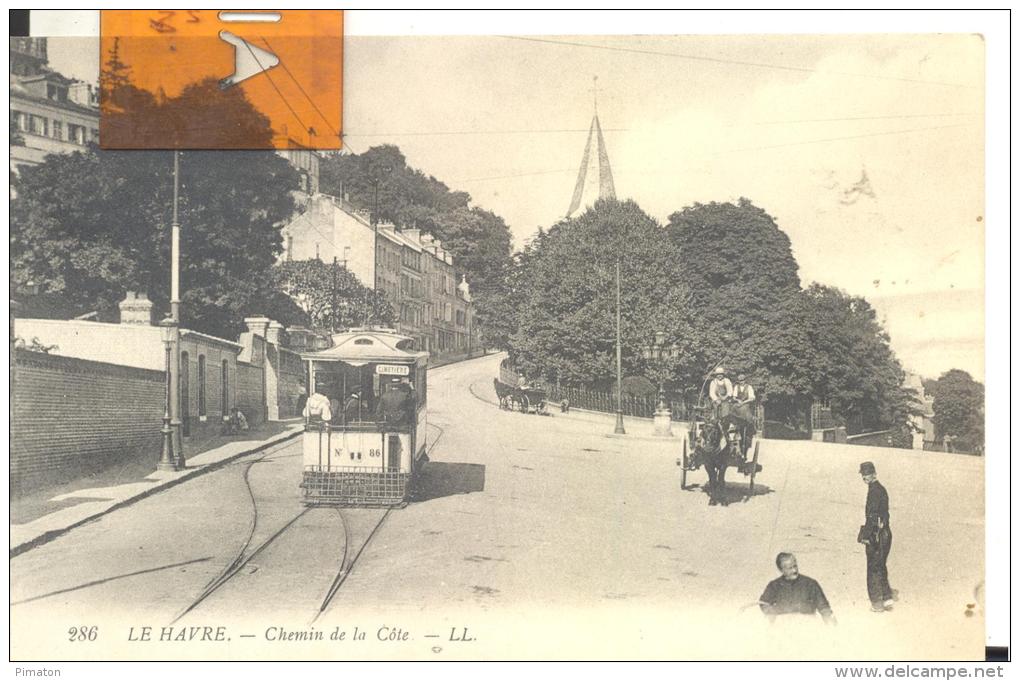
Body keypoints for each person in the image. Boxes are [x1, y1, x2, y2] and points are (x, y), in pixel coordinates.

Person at [859, 461, 897, 612]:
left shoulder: (874, 491)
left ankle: (876, 603)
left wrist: (866, 535)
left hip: (877, 534)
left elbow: (872, 516)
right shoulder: (881, 489)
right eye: (863, 475)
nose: (865, 478)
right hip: (886, 533)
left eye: (867, 474)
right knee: (881, 565)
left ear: (874, 474)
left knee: (873, 568)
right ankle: (887, 598)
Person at [759, 552, 836, 625]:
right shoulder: (774, 585)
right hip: (783, 628)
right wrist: (771, 613)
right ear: (781, 570)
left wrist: (831, 621)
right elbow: (763, 603)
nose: (794, 570)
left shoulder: (810, 584)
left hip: (807, 626)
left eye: (795, 566)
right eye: (790, 568)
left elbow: (824, 607)